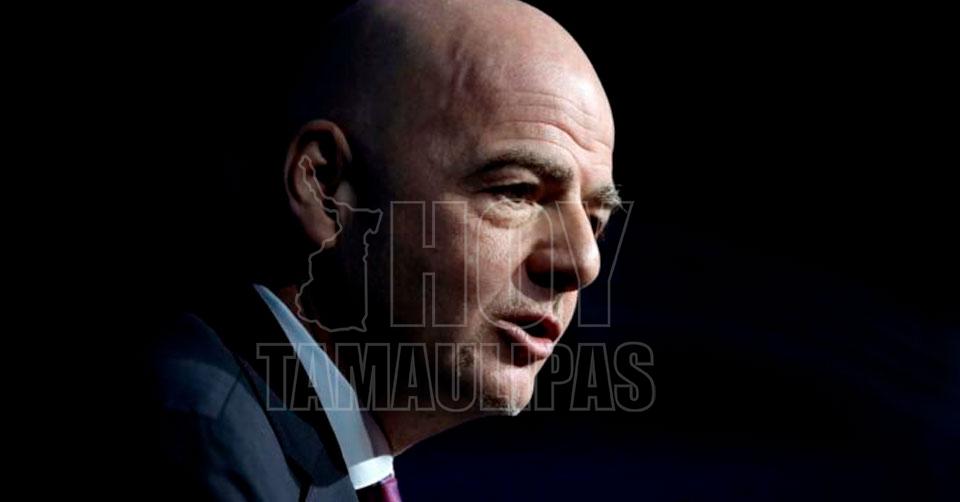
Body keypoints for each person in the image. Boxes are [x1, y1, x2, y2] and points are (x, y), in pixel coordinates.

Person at [140, 0, 619, 499]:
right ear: (326, 187)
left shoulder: (274, 444)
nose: (584, 263)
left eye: (594, 221)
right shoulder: (201, 447)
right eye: (516, 192)